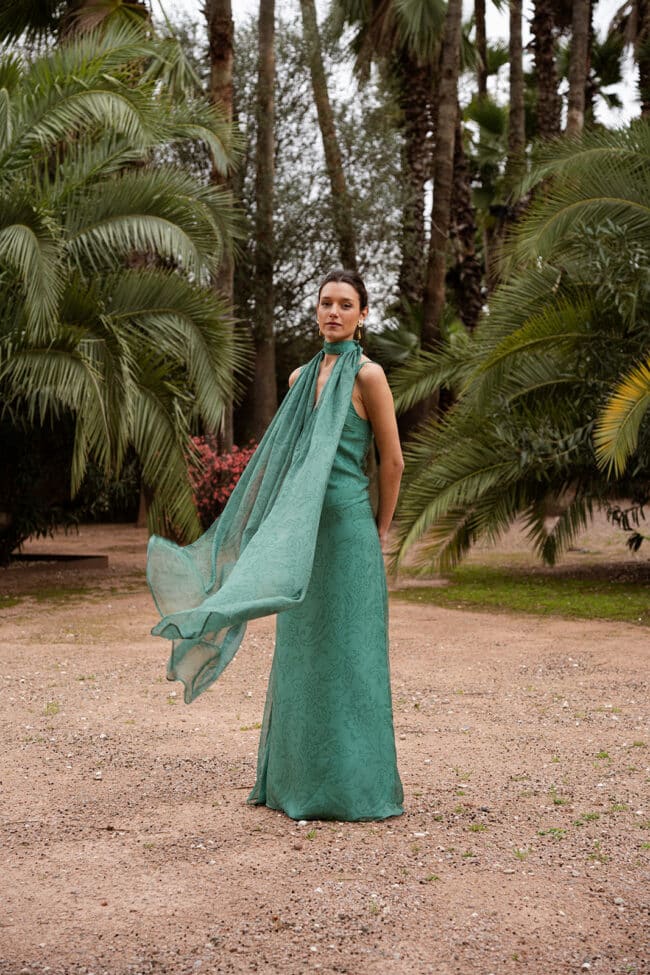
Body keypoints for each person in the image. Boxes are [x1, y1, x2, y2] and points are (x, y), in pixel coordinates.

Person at [147, 268, 404, 821]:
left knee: (353, 655)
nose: (333, 312)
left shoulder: (370, 377)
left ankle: (357, 790)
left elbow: (393, 461)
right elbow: (289, 462)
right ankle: (295, 785)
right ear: (316, 311)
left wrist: (380, 528)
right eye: (326, 302)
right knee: (302, 653)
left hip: (350, 533)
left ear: (363, 315)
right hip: (301, 538)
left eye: (346, 304)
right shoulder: (298, 379)